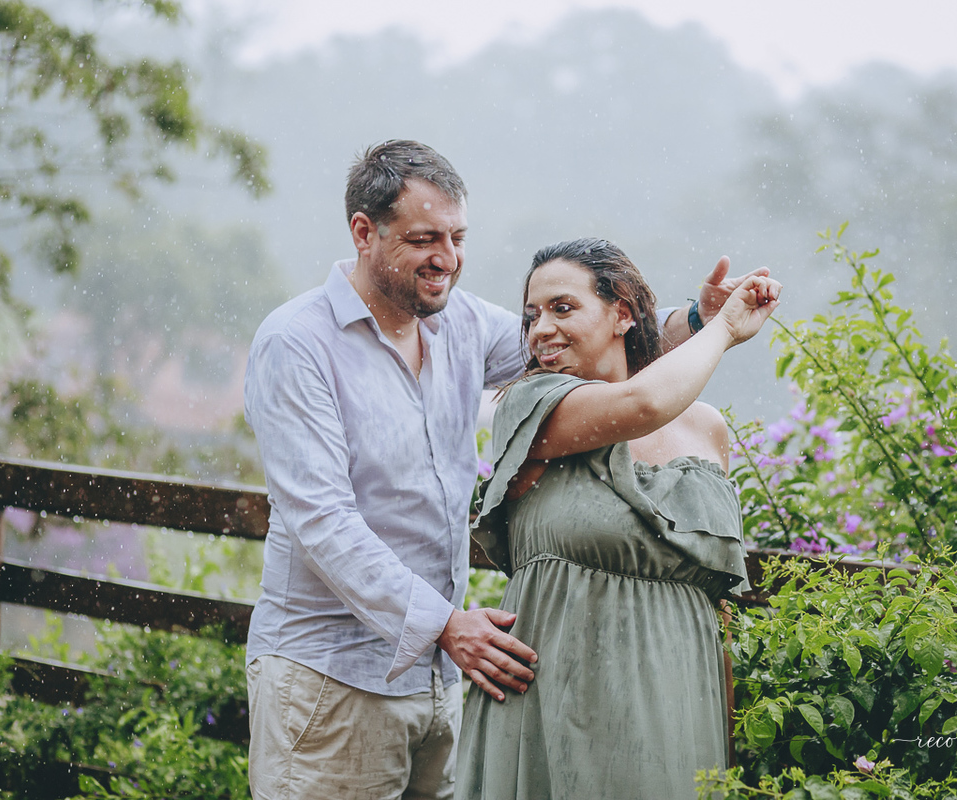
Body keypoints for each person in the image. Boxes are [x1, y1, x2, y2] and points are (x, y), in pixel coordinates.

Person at [242, 140, 770, 800]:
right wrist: (446, 625)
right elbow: (322, 521)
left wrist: (697, 319)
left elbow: (585, 337)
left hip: (443, 681)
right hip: (332, 677)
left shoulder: (460, 323)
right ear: (364, 232)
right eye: (424, 239)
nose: (447, 257)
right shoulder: (296, 342)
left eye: (458, 237)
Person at [456, 238, 781, 799]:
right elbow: (641, 404)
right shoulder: (533, 406)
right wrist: (722, 329)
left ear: (623, 313)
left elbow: (717, 603)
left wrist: (725, 744)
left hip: (682, 707)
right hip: (559, 703)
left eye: (562, 308)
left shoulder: (706, 429)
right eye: (531, 316)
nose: (540, 329)